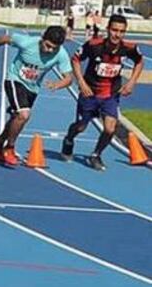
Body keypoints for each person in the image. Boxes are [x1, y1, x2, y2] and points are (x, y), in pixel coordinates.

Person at [61, 15, 144, 171]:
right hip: (90, 93)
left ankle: (96, 154)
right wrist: (81, 82)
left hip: (110, 95)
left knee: (110, 128)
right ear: (108, 29)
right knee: (80, 127)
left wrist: (132, 81)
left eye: (121, 31)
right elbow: (76, 59)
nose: (117, 34)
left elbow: (139, 61)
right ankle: (69, 139)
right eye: (114, 30)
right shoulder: (94, 45)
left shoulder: (129, 48)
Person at [0, 26, 73, 167]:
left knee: (17, 118)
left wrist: (57, 84)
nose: (50, 50)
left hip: (33, 88)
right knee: (24, 114)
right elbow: (5, 38)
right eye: (47, 46)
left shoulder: (61, 54)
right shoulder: (27, 42)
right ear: (42, 39)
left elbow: (69, 78)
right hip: (14, 80)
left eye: (54, 48)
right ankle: (9, 147)